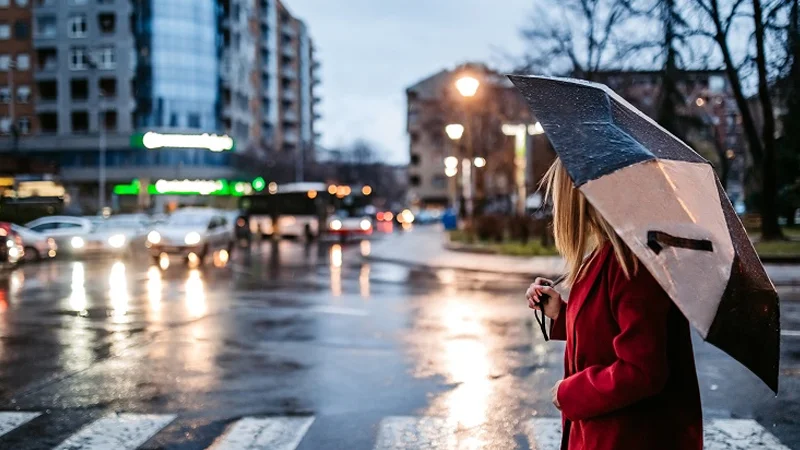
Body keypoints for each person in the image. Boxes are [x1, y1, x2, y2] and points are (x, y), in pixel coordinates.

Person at [526, 158, 703, 450]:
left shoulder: (631, 265)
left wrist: (571, 392)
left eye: (559, 196)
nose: (557, 209)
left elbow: (642, 370)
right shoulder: (606, 256)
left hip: (626, 437)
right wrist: (560, 313)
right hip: (605, 433)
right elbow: (607, 332)